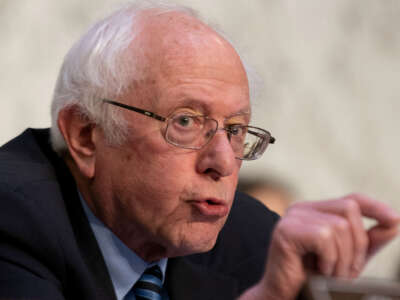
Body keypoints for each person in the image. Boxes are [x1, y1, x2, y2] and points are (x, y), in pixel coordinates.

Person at [0, 1, 399, 299]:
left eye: (236, 129)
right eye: (186, 121)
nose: (223, 162)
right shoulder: (12, 214)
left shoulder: (252, 239)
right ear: (87, 135)